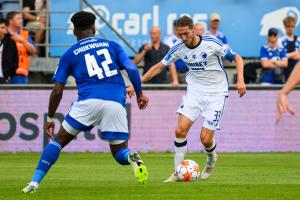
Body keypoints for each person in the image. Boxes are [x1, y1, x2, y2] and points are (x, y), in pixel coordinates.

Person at [21, 11, 149, 193]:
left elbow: (57, 90)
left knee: (57, 142)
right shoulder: (112, 45)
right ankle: (131, 156)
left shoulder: (69, 54)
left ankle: (34, 183)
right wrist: (139, 94)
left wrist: (50, 117)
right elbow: (131, 68)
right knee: (119, 153)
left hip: (88, 102)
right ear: (94, 28)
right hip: (115, 103)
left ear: (74, 31)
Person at [128, 16, 246, 182]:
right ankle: (177, 172)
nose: (183, 38)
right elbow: (158, 67)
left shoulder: (211, 42)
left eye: (185, 33)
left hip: (216, 93)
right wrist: (136, 84)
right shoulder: (178, 48)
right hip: (195, 92)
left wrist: (240, 80)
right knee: (180, 130)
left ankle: (211, 158)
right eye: (179, 34)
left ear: (193, 30)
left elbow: (237, 58)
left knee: (205, 139)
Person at [6, 11, 37, 84]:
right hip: (5, 73)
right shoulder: (3, 33)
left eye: (21, 19)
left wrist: (22, 40)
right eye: (18, 19)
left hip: (20, 73)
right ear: (11, 21)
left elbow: (33, 51)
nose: (21, 21)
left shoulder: (24, 34)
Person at [278, 16, 300, 81]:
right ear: (285, 27)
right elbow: (280, 57)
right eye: (288, 26)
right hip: (285, 70)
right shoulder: (280, 40)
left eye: (292, 26)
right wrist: (295, 53)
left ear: (295, 27)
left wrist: (288, 55)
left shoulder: (299, 39)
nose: (290, 29)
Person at [0, 19, 18, 83]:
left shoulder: (10, 42)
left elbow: (15, 61)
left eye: (2, 27)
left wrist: (9, 75)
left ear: (5, 29)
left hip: (4, 78)